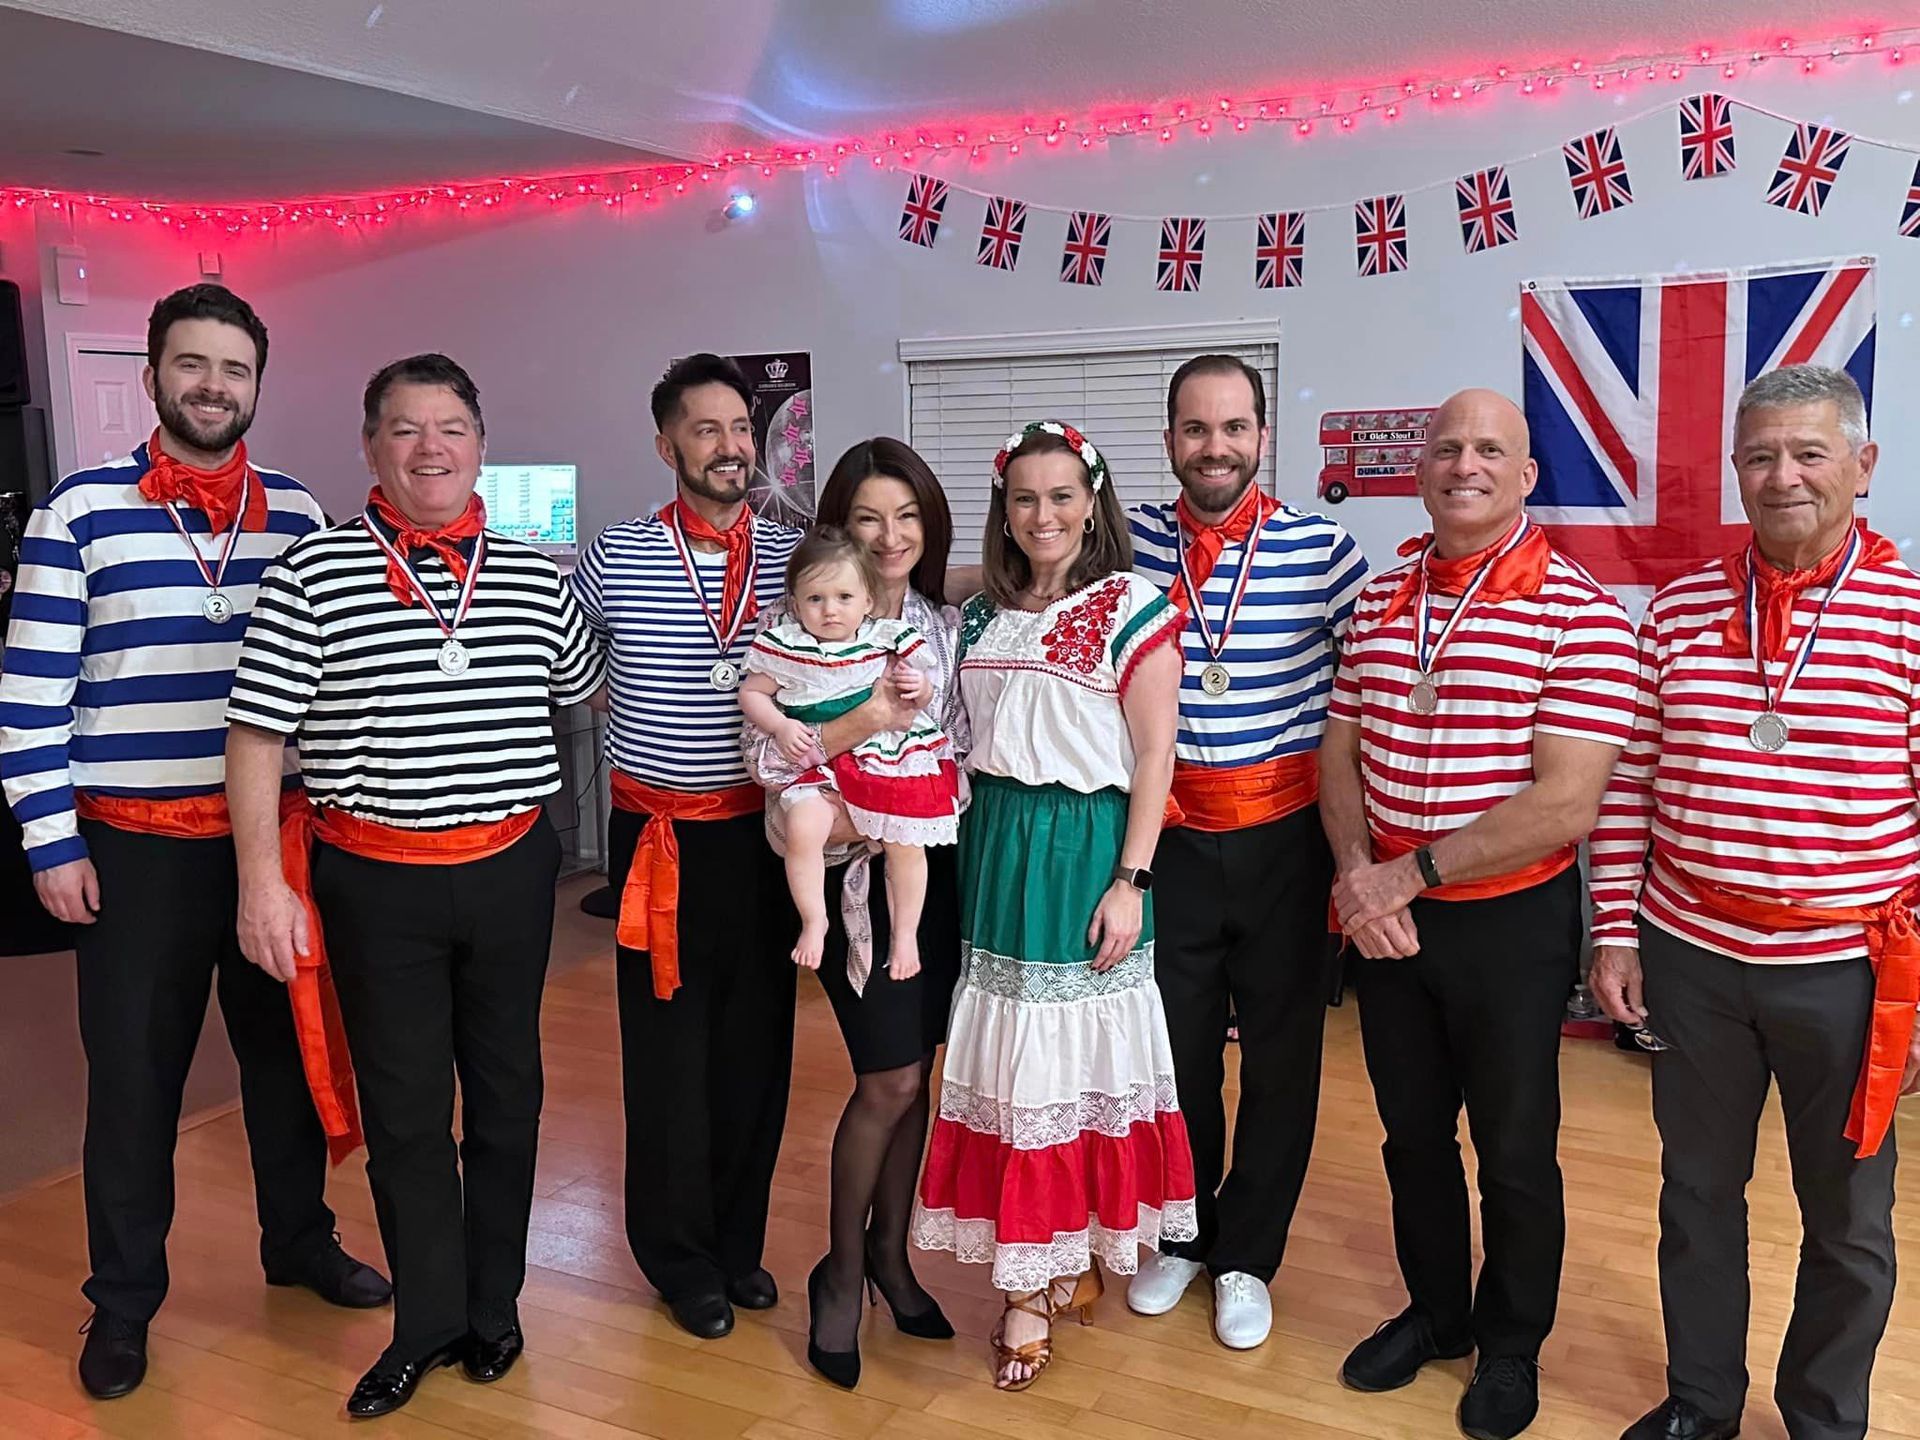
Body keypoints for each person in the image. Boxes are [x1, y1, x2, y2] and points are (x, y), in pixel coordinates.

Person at [0, 284, 389, 1401]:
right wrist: (49, 842)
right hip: (134, 851)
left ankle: (298, 1240)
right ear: (152, 376)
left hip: (275, 841)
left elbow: (334, 684)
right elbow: (30, 695)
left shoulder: (300, 514)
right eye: (192, 364)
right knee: (135, 1081)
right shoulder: (76, 511)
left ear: (257, 385)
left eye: (234, 368)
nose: (213, 386)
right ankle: (123, 1300)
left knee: (286, 1059)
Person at [224, 353, 605, 1416]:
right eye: (404, 428)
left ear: (480, 446)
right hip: (375, 880)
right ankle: (428, 1321)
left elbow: (584, 685)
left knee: (508, 1096)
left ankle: (496, 1308)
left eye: (450, 428)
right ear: (370, 447)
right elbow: (255, 735)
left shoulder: (535, 575)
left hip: (510, 871)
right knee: (404, 1113)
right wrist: (261, 884)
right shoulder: (311, 572)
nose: (429, 448)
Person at [1587, 364, 1920, 1440]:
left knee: (1850, 1220)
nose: (1784, 478)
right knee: (1696, 1197)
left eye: (1810, 453)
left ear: (1862, 466)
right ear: (1736, 469)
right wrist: (1614, 929)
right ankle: (1702, 1404)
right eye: (1761, 456)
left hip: (1848, 973)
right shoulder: (1679, 607)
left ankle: (1825, 1420)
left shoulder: (1910, 613)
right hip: (1692, 959)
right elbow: (1631, 781)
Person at [1318, 389, 1637, 1440]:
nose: (1466, 465)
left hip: (1507, 921)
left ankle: (1510, 1344)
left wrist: (1404, 875)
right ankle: (1437, 1313)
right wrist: (1358, 874)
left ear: (1526, 476)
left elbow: (1568, 802)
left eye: (1491, 449)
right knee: (1412, 1135)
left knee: (1513, 1150)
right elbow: (1339, 753)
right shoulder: (1380, 597)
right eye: (1448, 447)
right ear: (1420, 470)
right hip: (1387, 917)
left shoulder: (1581, 613)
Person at [911, 419, 1194, 1392]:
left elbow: (1155, 754)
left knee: (1068, 1065)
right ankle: (1053, 1258)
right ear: (1004, 508)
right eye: (1024, 498)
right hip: (996, 846)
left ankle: (1030, 1289)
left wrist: (1132, 880)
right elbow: (920, 599)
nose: (1044, 515)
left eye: (1063, 496)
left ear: (1093, 502)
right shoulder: (982, 613)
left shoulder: (1133, 605)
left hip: (1083, 850)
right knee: (1012, 1065)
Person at [1124, 354, 1370, 1349]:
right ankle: (1185, 1236)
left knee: (1280, 1060)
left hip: (1285, 844)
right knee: (1173, 1055)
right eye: (1196, 428)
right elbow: (1026, 581)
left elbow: (1369, 689)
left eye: (1233, 428)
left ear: (1264, 437)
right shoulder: (1126, 543)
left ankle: (1249, 1255)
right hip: (1166, 840)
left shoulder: (1325, 550)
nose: (1214, 447)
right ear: (1169, 439)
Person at [569, 353, 801, 1340]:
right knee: (668, 1059)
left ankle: (738, 1246)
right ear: (666, 445)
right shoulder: (615, 554)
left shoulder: (793, 555)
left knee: (757, 1052)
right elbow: (568, 665)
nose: (730, 446)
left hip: (768, 836)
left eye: (740, 428)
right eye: (705, 430)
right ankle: (678, 1260)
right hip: (657, 839)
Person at [740, 438, 966, 1389]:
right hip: (844, 879)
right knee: (886, 1078)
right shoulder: (800, 621)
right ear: (840, 527)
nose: (890, 536)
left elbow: (963, 746)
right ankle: (840, 1271)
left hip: (935, 870)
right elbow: (767, 762)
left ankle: (891, 1257)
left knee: (918, 1076)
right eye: (869, 517)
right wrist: (864, 723)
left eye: (907, 516)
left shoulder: (946, 623)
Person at [738, 525, 960, 977]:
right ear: (796, 604)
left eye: (843, 597)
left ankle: (904, 935)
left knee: (906, 844)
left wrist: (917, 686)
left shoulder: (885, 639)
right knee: (803, 827)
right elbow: (751, 693)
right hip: (820, 766)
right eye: (815, 599)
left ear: (867, 601)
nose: (830, 610)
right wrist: (780, 725)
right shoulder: (787, 646)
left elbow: (922, 695)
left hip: (884, 760)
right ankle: (813, 919)